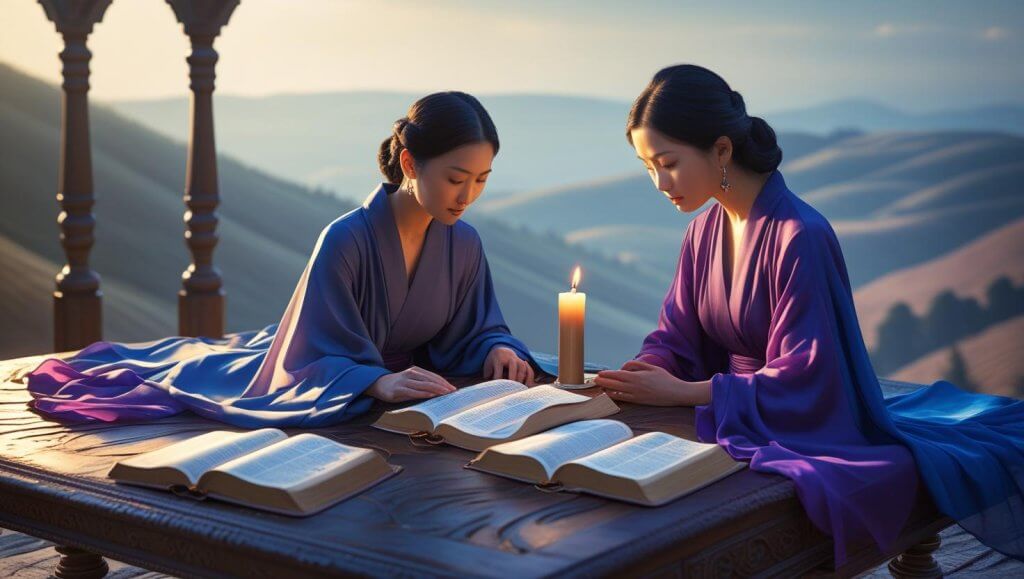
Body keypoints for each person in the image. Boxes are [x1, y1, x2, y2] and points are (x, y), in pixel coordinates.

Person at [593, 64, 1024, 565]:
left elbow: (807, 376)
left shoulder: (801, 236)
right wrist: (642, 373)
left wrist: (683, 393)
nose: (659, 182)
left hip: (800, 419)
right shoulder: (701, 233)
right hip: (737, 407)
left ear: (722, 150)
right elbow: (677, 334)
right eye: (648, 167)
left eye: (667, 162)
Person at [27, 91, 542, 428]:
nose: (467, 195)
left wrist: (497, 349)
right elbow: (310, 353)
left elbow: (475, 330)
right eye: (456, 178)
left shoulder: (464, 244)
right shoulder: (347, 239)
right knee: (188, 376)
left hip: (416, 401)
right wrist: (375, 380)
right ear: (409, 163)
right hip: (334, 384)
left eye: (481, 180)